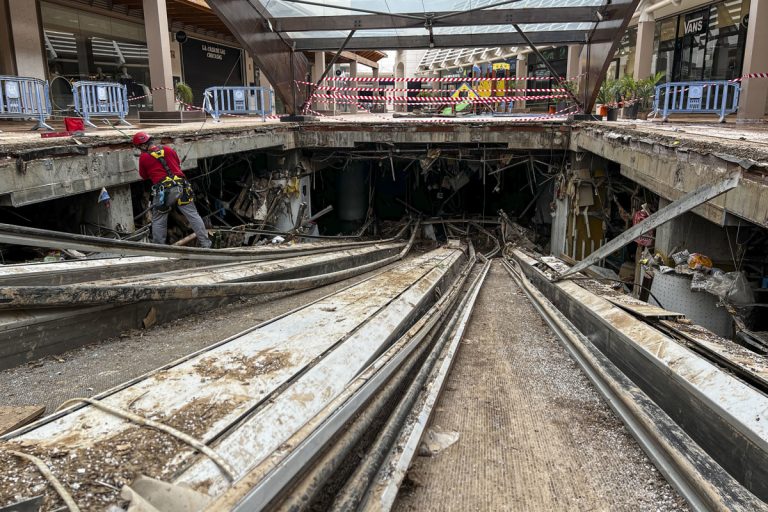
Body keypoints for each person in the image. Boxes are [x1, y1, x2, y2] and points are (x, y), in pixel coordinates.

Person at [132, 132, 212, 248]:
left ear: (142, 146)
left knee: (159, 219)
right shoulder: (168, 150)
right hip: (182, 187)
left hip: (164, 192)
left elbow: (144, 176)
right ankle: (206, 244)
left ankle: (159, 249)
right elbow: (177, 164)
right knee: (193, 215)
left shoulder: (144, 157)